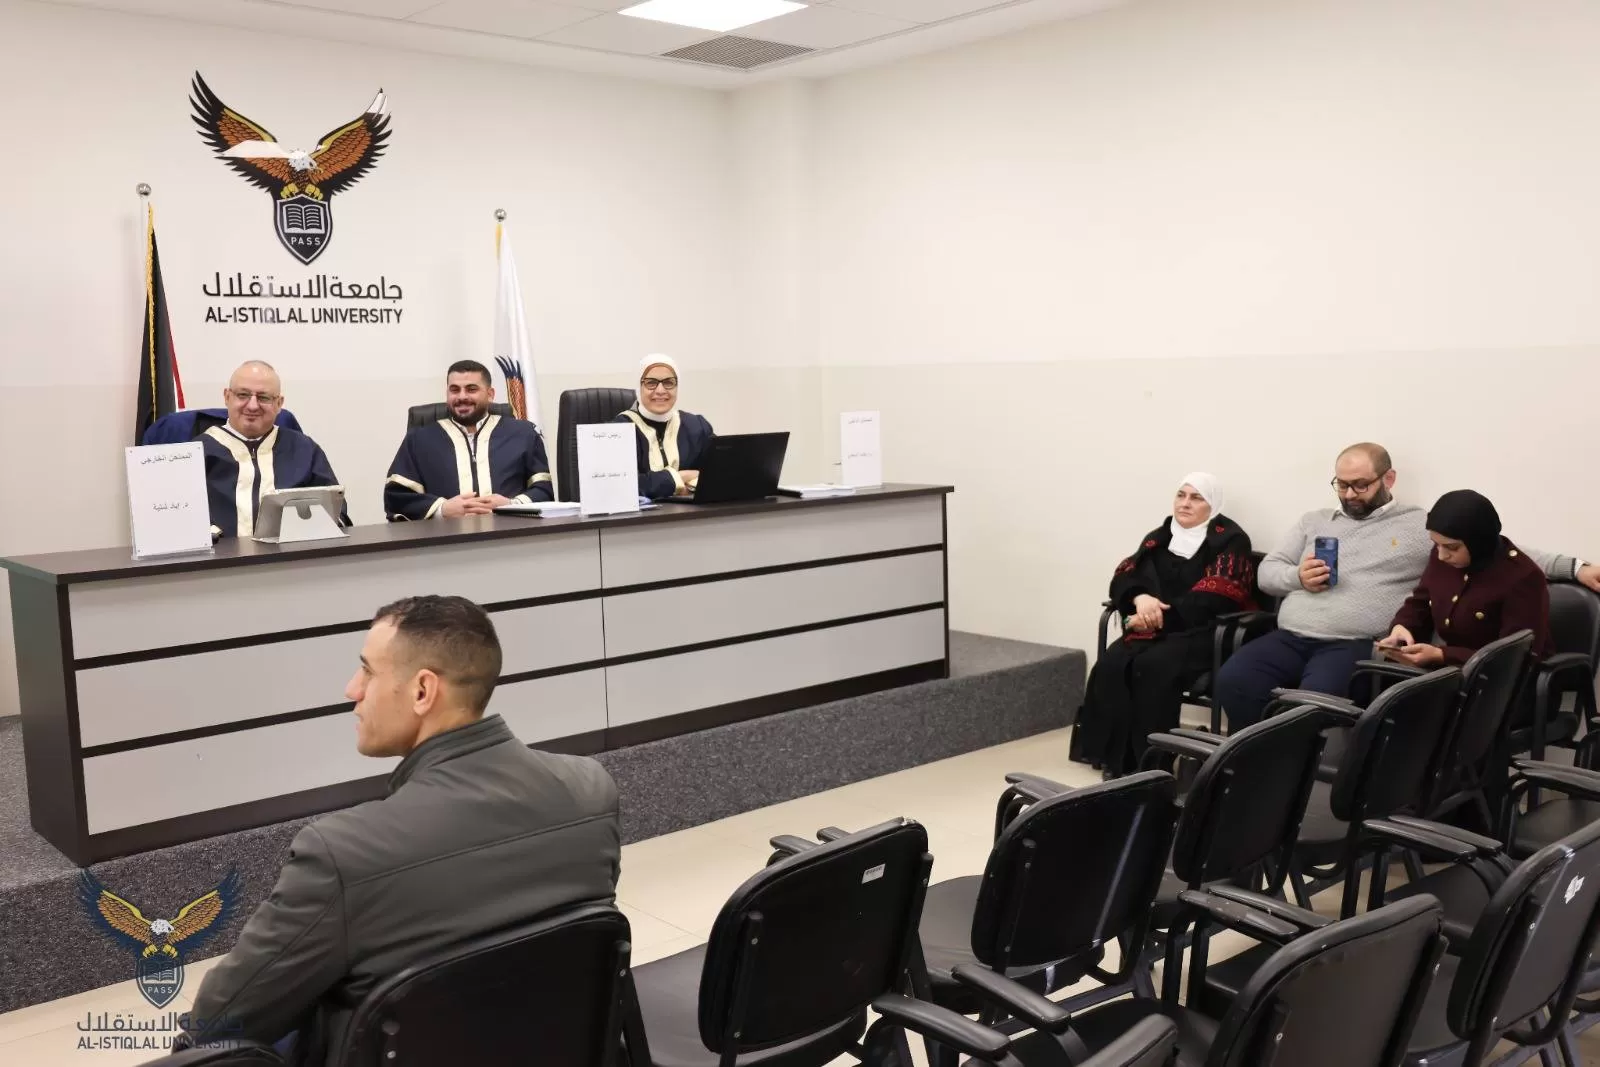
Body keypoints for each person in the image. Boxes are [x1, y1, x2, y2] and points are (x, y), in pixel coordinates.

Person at [181, 596, 621, 1065]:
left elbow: (217, 1024)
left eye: (367, 671)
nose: (352, 689)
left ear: (422, 691)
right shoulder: (592, 793)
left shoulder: (342, 855)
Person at [1214, 443, 1594, 731]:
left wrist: (1575, 567)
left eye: (1360, 485)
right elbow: (1266, 573)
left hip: (1353, 643)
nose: (1349, 494)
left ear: (1388, 479)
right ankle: (1259, 768)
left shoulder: (1420, 527)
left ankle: (1287, 779)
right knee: (1234, 680)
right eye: (1341, 485)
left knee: (1312, 704)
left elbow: (1494, 549)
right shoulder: (1313, 521)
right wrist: (1297, 578)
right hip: (1291, 635)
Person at [1071, 474, 1257, 776]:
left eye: (1196, 498)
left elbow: (1217, 597)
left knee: (1153, 667)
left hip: (1202, 632)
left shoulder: (1231, 540)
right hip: (1150, 627)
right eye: (1181, 495)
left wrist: (1156, 618)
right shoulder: (1160, 536)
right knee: (1112, 664)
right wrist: (1140, 597)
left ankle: (1150, 762)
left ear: (1213, 505)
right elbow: (1125, 575)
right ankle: (1113, 757)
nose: (1185, 504)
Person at [1378, 490, 1551, 667]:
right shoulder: (1444, 557)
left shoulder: (1521, 576)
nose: (1442, 556)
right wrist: (1403, 627)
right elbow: (1420, 602)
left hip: (1497, 677)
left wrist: (1442, 655)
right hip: (1451, 670)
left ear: (1478, 542)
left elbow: (1514, 655)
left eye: (1452, 547)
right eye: (1436, 544)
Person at [383, 360, 554, 519]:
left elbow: (544, 489)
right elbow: (396, 496)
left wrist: (511, 505)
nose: (462, 397)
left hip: (511, 535)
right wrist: (442, 509)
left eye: (471, 389)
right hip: (445, 537)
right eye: (454, 390)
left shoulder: (523, 434)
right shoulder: (419, 440)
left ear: (490, 394)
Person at [200, 361, 347, 539]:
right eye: (243, 395)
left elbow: (335, 514)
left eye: (263, 398)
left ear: (279, 403)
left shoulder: (304, 450)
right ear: (227, 397)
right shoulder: (198, 452)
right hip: (219, 555)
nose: (252, 406)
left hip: (291, 554)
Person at [614, 353, 713, 500]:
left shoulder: (697, 426)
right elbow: (619, 486)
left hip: (693, 513)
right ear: (639, 387)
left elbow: (719, 473)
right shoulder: (619, 431)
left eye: (668, 382)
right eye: (651, 383)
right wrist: (680, 477)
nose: (660, 390)